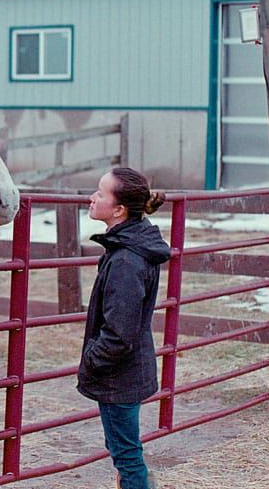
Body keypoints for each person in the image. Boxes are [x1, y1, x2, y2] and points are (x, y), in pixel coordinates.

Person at [77, 167, 170, 489]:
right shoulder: (128, 247)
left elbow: (119, 334)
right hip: (127, 371)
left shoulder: (126, 261)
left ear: (119, 210)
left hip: (119, 375)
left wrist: (91, 361)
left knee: (127, 457)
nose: (92, 197)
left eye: (100, 193)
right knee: (124, 450)